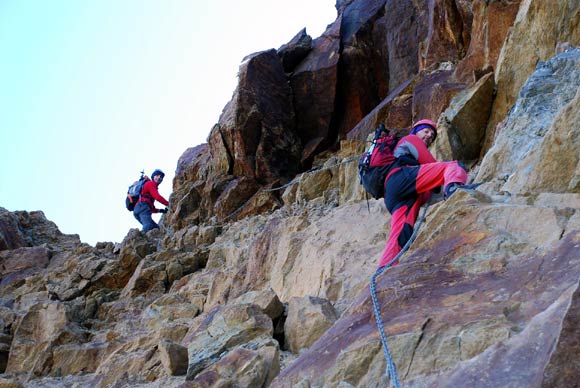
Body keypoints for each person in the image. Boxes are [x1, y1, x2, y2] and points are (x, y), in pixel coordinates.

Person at [378, 119, 476, 268]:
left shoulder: (404, 148)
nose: (429, 136)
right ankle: (455, 189)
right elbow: (430, 163)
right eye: (426, 131)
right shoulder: (410, 139)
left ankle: (384, 268)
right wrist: (443, 181)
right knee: (454, 166)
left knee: (401, 232)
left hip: (396, 194)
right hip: (401, 178)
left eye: (432, 135)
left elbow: (432, 186)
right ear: (416, 131)